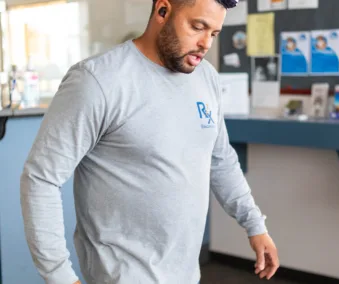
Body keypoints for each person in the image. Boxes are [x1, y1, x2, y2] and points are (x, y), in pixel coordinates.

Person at [20, 0, 279, 283]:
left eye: (214, 33)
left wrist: (255, 225)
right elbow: (40, 178)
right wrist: (59, 276)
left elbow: (221, 160)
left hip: (186, 275)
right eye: (197, 27)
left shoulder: (206, 78)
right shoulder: (98, 80)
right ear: (162, 11)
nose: (206, 43)